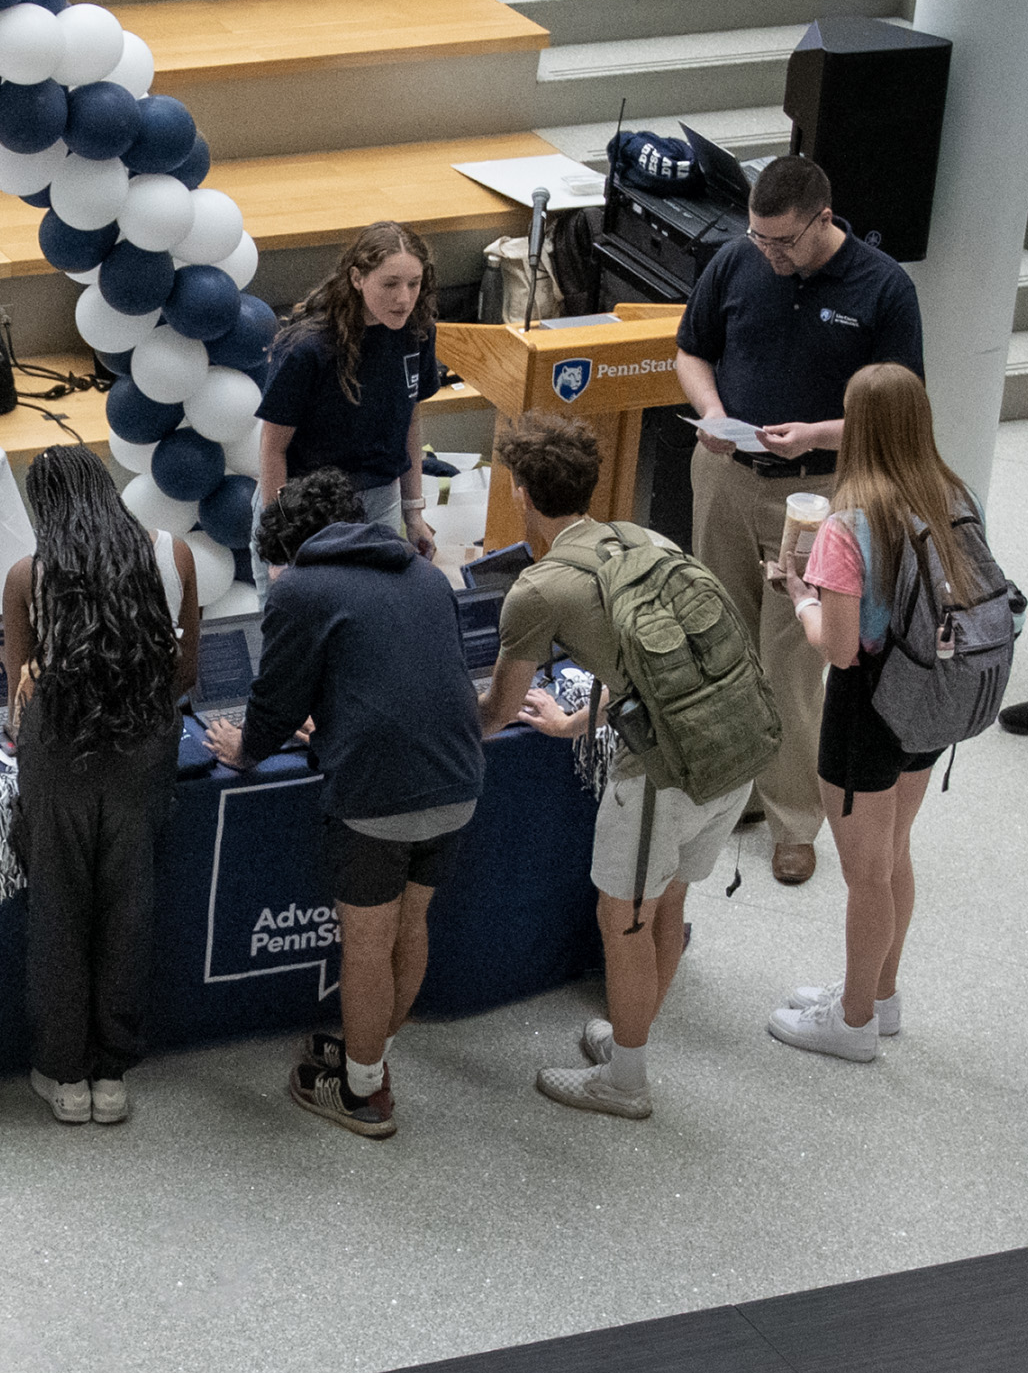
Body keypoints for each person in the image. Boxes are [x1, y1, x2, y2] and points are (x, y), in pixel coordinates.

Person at [474, 414, 751, 1120]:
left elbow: (498, 711)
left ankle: (625, 1083)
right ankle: (632, 1040)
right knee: (667, 902)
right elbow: (652, 661)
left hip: (665, 774)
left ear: (521, 492)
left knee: (623, 918)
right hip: (741, 739)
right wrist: (577, 722)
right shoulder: (644, 539)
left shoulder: (539, 589)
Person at [207, 468, 484, 1139]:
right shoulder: (426, 575)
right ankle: (372, 1056)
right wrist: (329, 720)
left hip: (376, 795)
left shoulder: (302, 585)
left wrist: (245, 748)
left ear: (295, 547)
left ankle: (362, 1094)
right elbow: (400, 674)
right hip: (457, 779)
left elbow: (274, 700)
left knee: (364, 948)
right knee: (410, 929)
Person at [675, 155, 922, 885]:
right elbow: (693, 351)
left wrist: (817, 434)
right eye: (758, 238)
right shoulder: (736, 261)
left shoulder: (883, 287)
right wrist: (714, 415)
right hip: (726, 474)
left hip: (819, 496)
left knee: (789, 658)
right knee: (718, 635)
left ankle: (792, 818)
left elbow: (899, 408)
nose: (768, 254)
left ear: (823, 217)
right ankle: (735, 794)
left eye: (782, 241)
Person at [770, 362, 968, 1062]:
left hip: (867, 711)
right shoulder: (949, 492)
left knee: (865, 874)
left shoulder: (848, 524)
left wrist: (800, 595)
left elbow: (843, 648)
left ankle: (850, 1023)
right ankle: (880, 997)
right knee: (894, 854)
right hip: (931, 699)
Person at [0, 446, 198, 1126]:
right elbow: (187, 672)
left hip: (60, 757)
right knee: (129, 906)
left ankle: (64, 1076)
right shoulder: (175, 556)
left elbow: (18, 703)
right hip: (144, 750)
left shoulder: (30, 575)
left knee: (59, 911)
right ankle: (112, 1075)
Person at [258, 222, 441, 561]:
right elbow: (273, 448)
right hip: (308, 505)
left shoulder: (418, 332)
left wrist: (413, 513)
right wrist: (281, 541)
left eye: (414, 284)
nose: (404, 298)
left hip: (380, 496)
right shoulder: (307, 348)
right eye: (390, 284)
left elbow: (409, 424)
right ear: (357, 278)